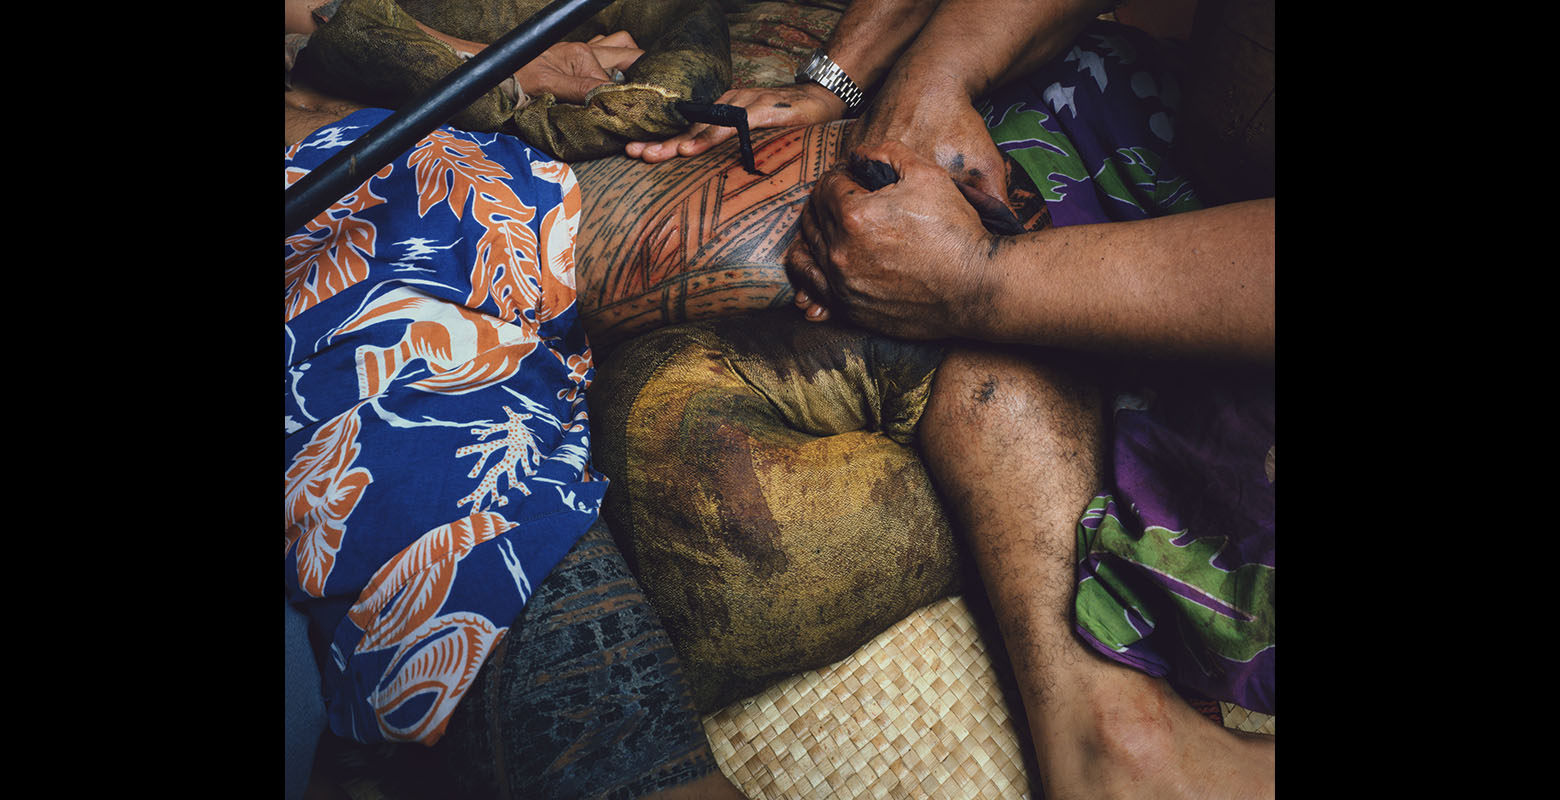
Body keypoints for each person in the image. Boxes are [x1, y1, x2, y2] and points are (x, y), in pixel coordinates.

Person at [633, 1, 1277, 799]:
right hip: (1179, 141)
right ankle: (1111, 723)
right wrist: (916, 83)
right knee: (923, 210)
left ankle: (1122, 745)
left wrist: (979, 284)